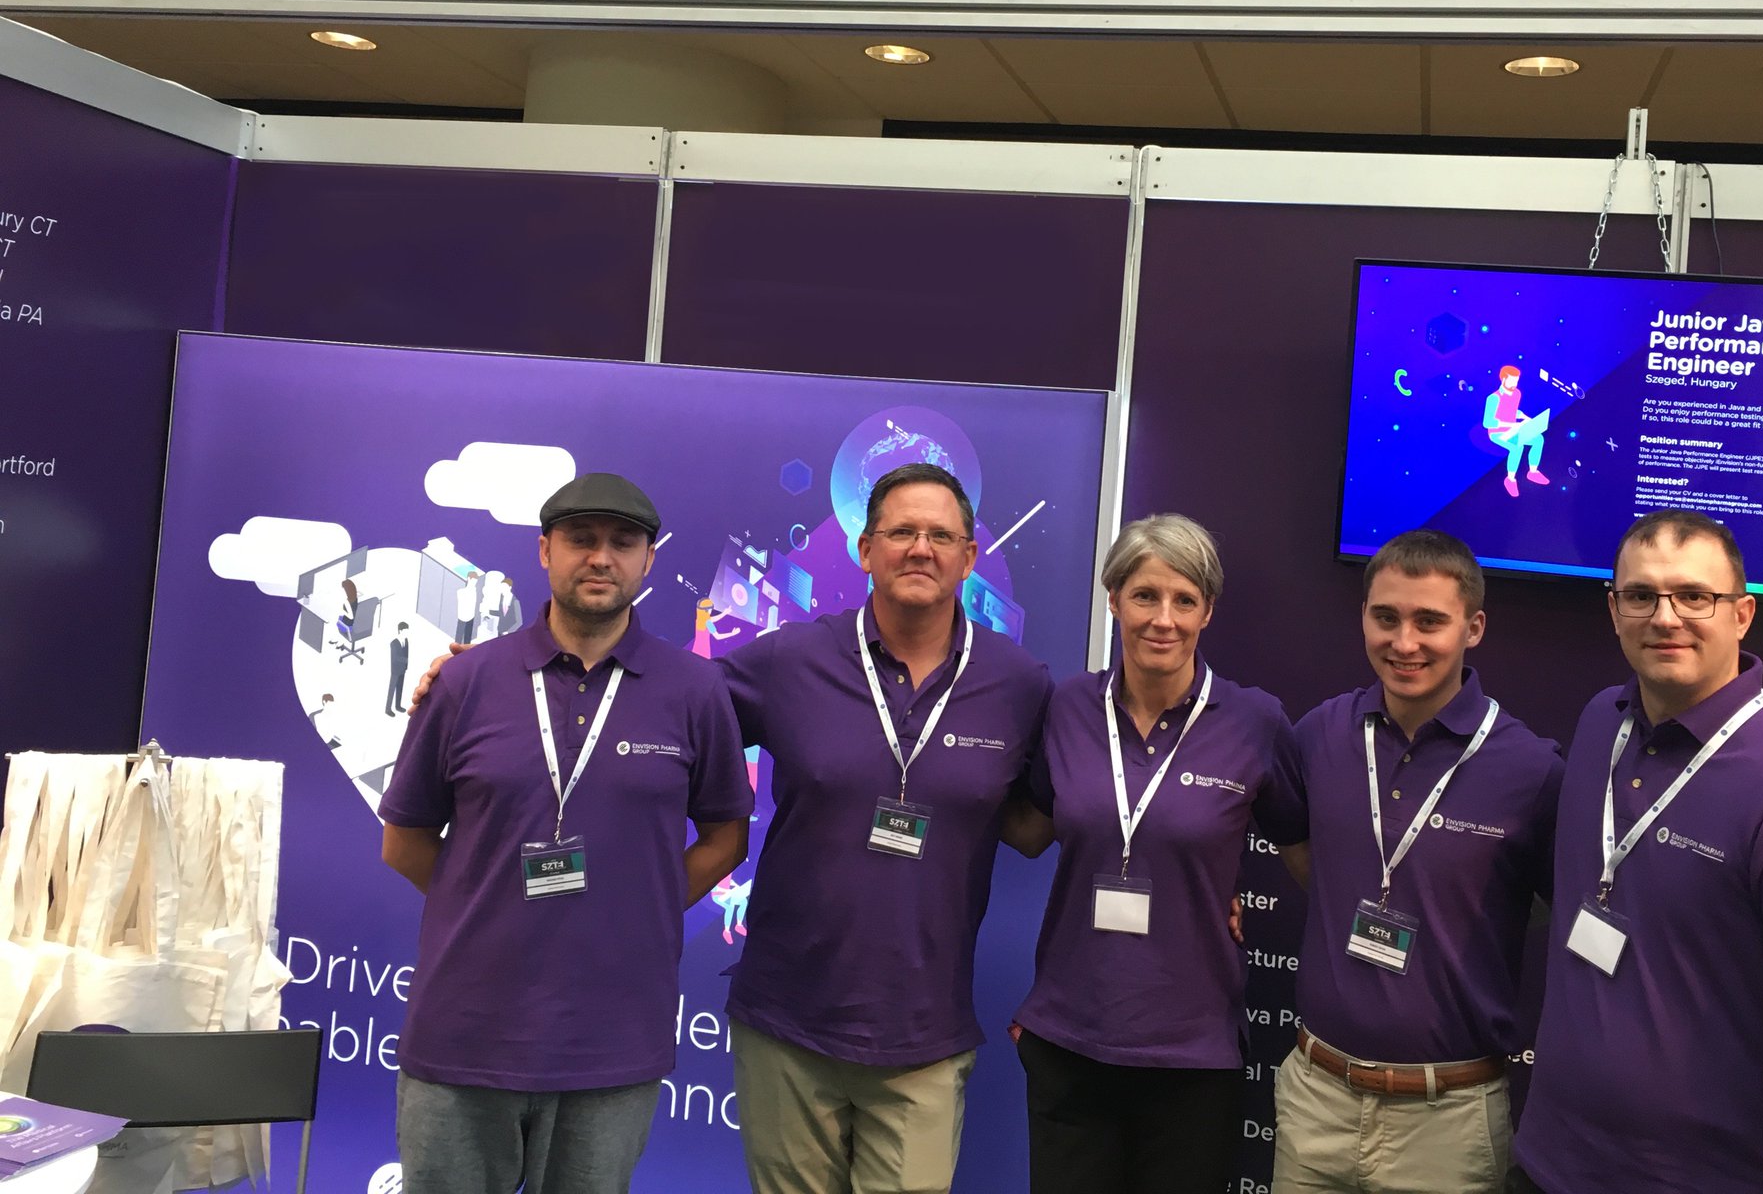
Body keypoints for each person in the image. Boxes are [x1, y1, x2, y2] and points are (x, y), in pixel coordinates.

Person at [379, 472, 753, 1194]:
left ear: (648, 560)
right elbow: (405, 841)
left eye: (623, 543)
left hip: (612, 1041)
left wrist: (638, 908)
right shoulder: (465, 682)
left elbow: (725, 838)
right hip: (465, 1034)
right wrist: (484, 900)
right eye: (581, 540)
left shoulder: (695, 690)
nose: (601, 558)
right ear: (545, 551)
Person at [1511, 510, 1763, 1194]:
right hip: (1549, 1161)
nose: (1665, 617)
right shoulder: (1601, 723)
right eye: (1641, 596)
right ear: (1614, 611)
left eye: (1694, 596)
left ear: (1742, 614)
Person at [717, 463, 1053, 1194]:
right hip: (787, 1025)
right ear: (865, 550)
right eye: (901, 532)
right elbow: (660, 715)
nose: (921, 548)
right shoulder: (790, 659)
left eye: (941, 535)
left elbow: (1059, 815)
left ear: (969, 556)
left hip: (924, 1035)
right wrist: (500, 682)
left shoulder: (1019, 685)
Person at [1003, 514, 1306, 1194]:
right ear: (1113, 599)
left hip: (1191, 1057)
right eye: (1144, 595)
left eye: (1184, 600)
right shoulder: (1067, 707)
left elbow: (1305, 854)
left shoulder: (1255, 722)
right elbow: (1029, 831)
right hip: (1070, 1039)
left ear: (1207, 611)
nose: (1163, 619)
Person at [1275, 529, 1563, 1194]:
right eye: (1386, 617)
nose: (1404, 643)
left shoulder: (1531, 771)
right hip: (1317, 1098)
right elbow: (1300, 852)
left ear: (1473, 628)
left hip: (1448, 1120)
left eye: (1430, 621)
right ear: (1364, 618)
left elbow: (1555, 908)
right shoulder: (1320, 733)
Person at [1482, 365, 1549, 498]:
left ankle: (1533, 472)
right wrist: (1510, 424)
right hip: (1497, 433)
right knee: (1517, 447)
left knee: (1539, 439)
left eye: (1516, 381)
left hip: (1514, 428)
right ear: (1503, 379)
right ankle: (1510, 479)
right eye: (1512, 381)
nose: (1515, 384)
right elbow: (1487, 422)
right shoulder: (1493, 398)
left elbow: (1512, 411)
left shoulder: (1517, 393)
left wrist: (1524, 417)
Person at [385, 621, 411, 716]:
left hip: (403, 669)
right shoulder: (394, 643)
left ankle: (398, 706)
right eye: (405, 631)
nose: (407, 633)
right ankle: (388, 709)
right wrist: (405, 660)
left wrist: (406, 666)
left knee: (400, 688)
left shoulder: (406, 641)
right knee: (392, 689)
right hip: (395, 670)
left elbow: (407, 653)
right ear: (400, 631)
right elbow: (395, 657)